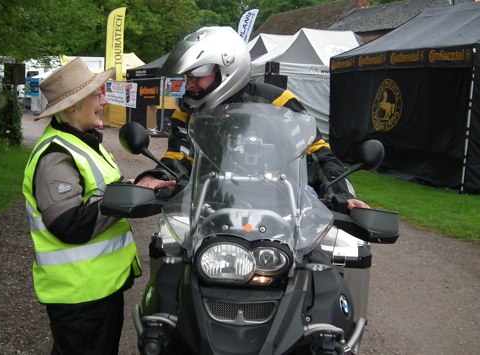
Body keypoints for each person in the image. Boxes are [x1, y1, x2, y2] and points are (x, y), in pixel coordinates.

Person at [135, 26, 368, 213]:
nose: (189, 84)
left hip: (281, 213)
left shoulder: (279, 102)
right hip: (207, 211)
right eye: (187, 77)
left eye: (197, 76)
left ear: (227, 67)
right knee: (167, 254)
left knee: (325, 261)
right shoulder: (186, 110)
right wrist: (157, 177)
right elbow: (179, 156)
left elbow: (316, 152)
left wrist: (342, 195)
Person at [22, 57, 146, 355]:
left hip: (98, 289)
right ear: (73, 107)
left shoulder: (87, 141)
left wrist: (142, 186)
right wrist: (125, 200)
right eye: (97, 94)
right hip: (80, 296)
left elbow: (102, 191)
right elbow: (70, 224)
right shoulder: (56, 156)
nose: (104, 100)